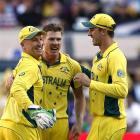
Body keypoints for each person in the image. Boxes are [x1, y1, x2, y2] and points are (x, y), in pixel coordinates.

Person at [74, 13, 128, 140]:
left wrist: (90, 83)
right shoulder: (99, 56)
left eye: (92, 29)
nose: (89, 33)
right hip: (99, 121)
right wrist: (72, 64)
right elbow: (97, 78)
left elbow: (122, 90)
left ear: (103, 31)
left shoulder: (116, 56)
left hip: (112, 121)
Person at [0, 26, 56, 140]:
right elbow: (17, 89)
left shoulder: (25, 61)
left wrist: (13, 74)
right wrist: (34, 110)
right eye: (34, 40)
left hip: (8, 124)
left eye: (41, 39)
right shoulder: (31, 66)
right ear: (23, 45)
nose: (40, 43)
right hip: (22, 127)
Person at [40, 23, 86, 140]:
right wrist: (12, 76)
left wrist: (79, 122)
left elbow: (79, 97)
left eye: (58, 39)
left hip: (60, 124)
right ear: (43, 40)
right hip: (36, 121)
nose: (55, 42)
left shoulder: (73, 66)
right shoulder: (32, 61)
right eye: (51, 39)